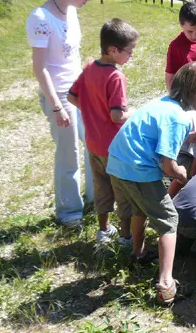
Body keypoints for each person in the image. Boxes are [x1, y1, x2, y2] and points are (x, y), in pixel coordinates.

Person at [107, 62, 196, 305]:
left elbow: (156, 133)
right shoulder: (178, 117)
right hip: (137, 169)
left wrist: (190, 137)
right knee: (169, 221)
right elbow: (168, 166)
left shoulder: (161, 104)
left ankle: (138, 253)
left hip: (118, 163)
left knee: (141, 208)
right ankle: (167, 286)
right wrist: (184, 176)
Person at [26, 0, 95, 228]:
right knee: (68, 153)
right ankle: (69, 212)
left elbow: (73, 56)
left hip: (80, 91)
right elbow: (39, 68)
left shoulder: (71, 12)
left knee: (93, 143)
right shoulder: (41, 18)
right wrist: (57, 106)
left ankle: (95, 199)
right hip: (59, 95)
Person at [68, 19, 138, 246]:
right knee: (123, 192)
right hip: (115, 147)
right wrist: (136, 112)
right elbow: (117, 116)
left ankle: (103, 229)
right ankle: (126, 237)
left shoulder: (89, 68)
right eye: (129, 51)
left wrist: (92, 111)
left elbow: (71, 96)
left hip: (93, 143)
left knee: (101, 188)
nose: (131, 55)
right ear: (113, 50)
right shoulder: (115, 76)